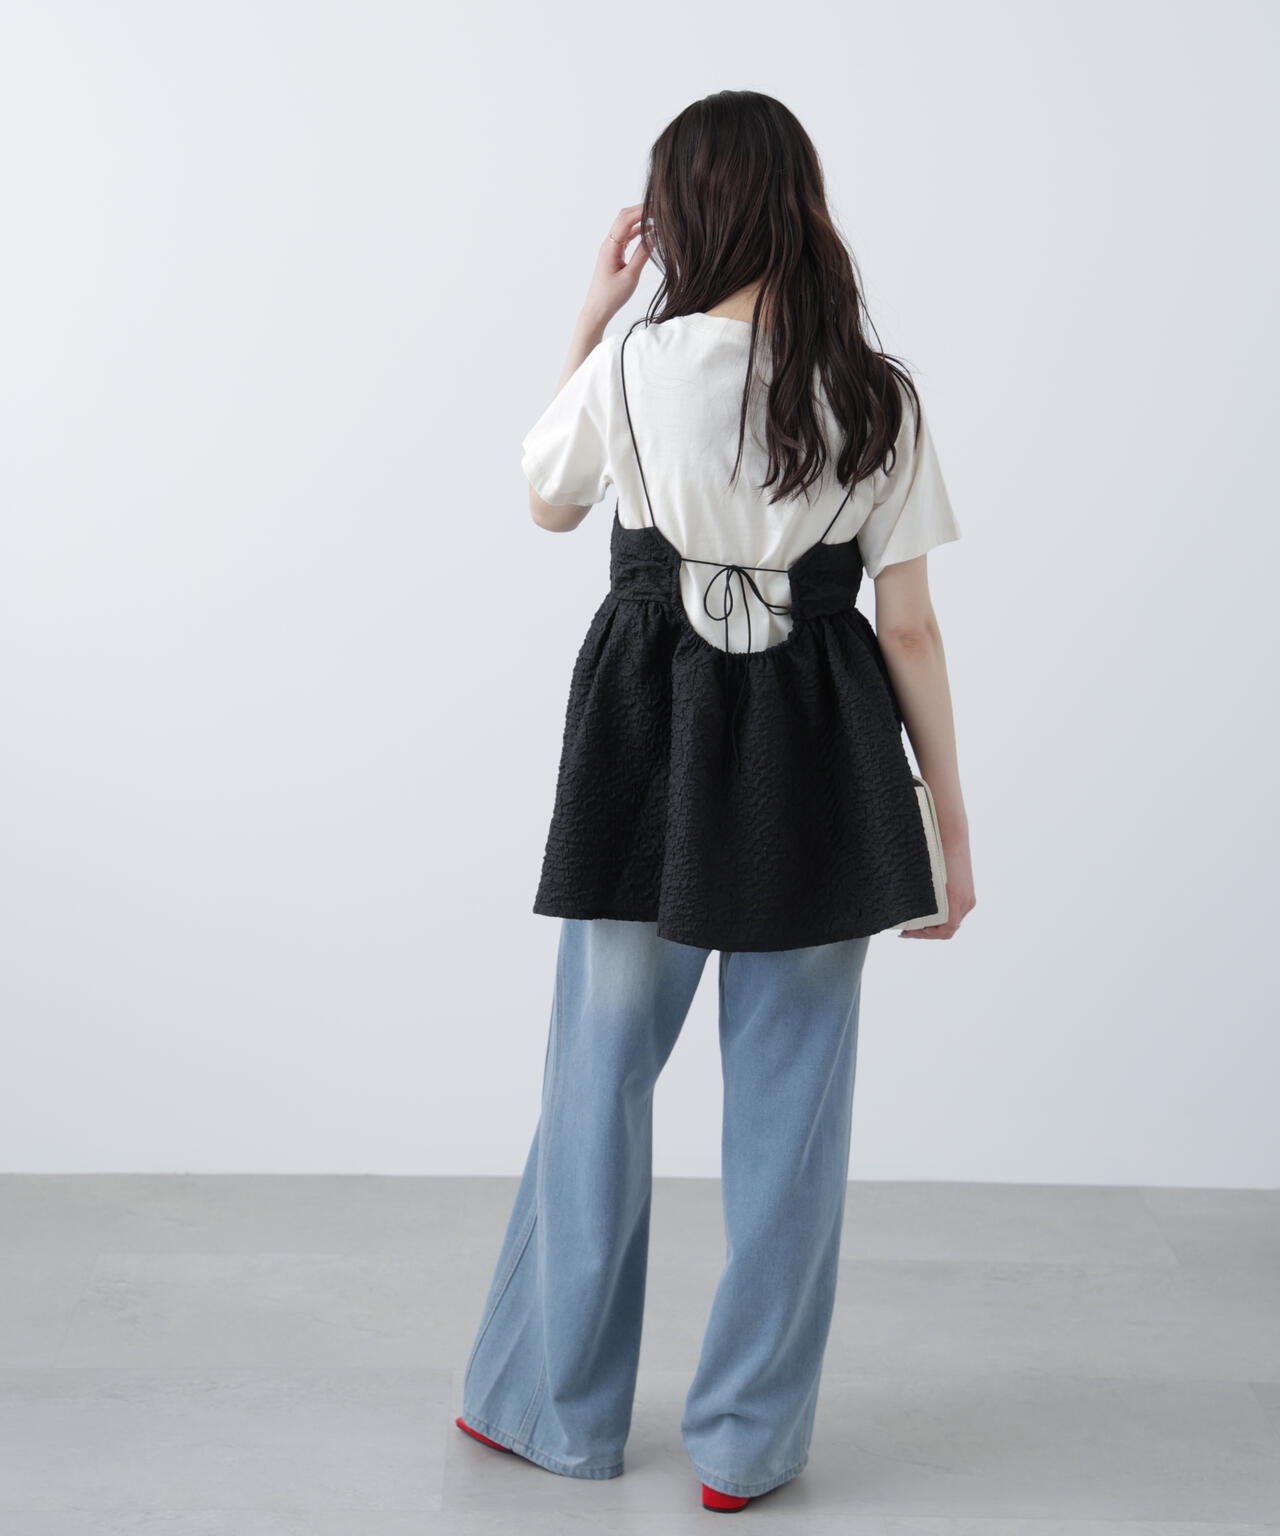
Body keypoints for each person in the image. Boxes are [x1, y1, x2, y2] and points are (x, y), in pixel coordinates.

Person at [457, 89, 976, 1513]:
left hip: (650, 738)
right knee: (792, 1105)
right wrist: (947, 825)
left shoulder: (635, 365)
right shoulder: (879, 393)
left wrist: (591, 317)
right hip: (823, 744)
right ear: (802, 206)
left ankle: (555, 1408)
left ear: (682, 214)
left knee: (596, 1078)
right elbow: (912, 628)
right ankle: (747, 1446)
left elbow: (548, 502)